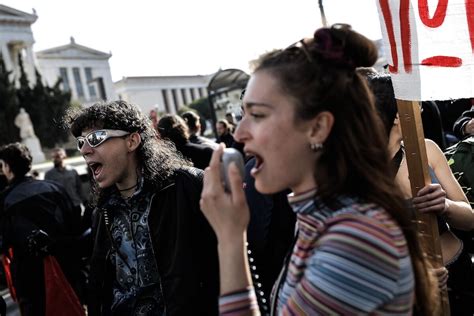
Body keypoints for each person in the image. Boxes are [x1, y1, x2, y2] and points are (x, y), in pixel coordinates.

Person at [200, 24, 439, 315]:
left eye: (258, 115)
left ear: (317, 128)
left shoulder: (355, 238)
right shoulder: (320, 216)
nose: (239, 133)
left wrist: (229, 239)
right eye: (242, 115)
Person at [66, 100, 219, 315]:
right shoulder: (103, 210)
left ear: (132, 141)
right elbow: (101, 283)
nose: (85, 150)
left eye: (96, 138)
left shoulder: (187, 188)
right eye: (81, 142)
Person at [369, 74, 474, 315]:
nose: (422, 110)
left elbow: (469, 218)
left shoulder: (428, 149)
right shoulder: (362, 172)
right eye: (416, 104)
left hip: (458, 274)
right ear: (398, 115)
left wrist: (445, 206)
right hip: (408, 290)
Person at [0, 143, 84, 316]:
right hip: (66, 266)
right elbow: (75, 226)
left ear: (7, 167)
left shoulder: (5, 201)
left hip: (29, 279)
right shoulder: (54, 188)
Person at [45, 148, 86, 219]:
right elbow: (49, 193)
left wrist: (84, 201)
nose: (55, 159)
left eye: (57, 156)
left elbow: (79, 188)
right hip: (61, 208)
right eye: (53, 157)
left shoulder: (72, 171)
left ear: (64, 156)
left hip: (75, 204)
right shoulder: (49, 175)